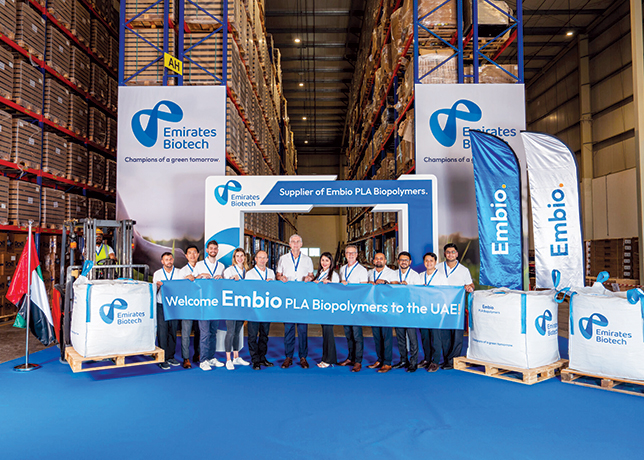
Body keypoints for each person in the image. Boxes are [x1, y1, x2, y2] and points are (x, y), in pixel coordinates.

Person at [276, 234, 314, 369]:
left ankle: (303, 357)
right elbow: (278, 274)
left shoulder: (307, 260)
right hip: (288, 298)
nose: (295, 244)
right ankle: (288, 357)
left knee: (303, 329)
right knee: (289, 328)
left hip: (302, 298)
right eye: (293, 241)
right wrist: (280, 278)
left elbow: (311, 274)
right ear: (289, 244)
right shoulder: (283, 259)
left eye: (298, 241)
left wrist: (309, 278)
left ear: (301, 244)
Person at [435, 243, 475, 370]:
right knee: (444, 334)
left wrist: (469, 287)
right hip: (441, 306)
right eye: (448, 252)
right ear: (444, 254)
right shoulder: (437, 267)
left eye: (453, 252)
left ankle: (453, 360)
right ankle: (446, 359)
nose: (450, 254)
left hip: (457, 306)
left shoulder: (464, 270)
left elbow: (471, 285)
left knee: (457, 334)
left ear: (457, 254)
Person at [191, 240, 226, 371]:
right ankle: (203, 360)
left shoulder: (221, 266)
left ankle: (211, 357)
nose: (213, 250)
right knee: (205, 333)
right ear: (207, 250)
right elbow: (192, 282)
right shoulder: (199, 265)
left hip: (215, 304)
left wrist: (221, 278)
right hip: (203, 304)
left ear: (217, 250)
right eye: (211, 248)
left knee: (213, 332)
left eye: (215, 248)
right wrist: (200, 276)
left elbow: (224, 285)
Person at [338, 245, 369, 372]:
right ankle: (350, 357)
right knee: (348, 334)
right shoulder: (342, 269)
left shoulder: (362, 270)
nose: (350, 255)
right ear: (345, 255)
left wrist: (349, 286)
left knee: (357, 335)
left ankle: (358, 361)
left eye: (353, 253)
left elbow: (364, 289)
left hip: (356, 306)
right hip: (345, 306)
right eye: (348, 253)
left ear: (356, 255)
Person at [390, 251, 422, 372]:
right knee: (400, 337)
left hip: (410, 310)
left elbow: (418, 293)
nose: (404, 262)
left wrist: (408, 287)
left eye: (406, 260)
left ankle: (413, 362)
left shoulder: (415, 276)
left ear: (410, 262)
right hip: (397, 310)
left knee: (412, 337)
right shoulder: (393, 274)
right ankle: (403, 360)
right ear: (398, 261)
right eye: (402, 260)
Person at [244, 250, 275, 370]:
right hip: (254, 310)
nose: (262, 260)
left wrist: (272, 284)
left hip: (266, 309)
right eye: (260, 257)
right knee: (252, 336)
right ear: (255, 259)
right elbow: (247, 291)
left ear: (267, 259)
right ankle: (255, 360)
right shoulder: (250, 274)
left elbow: (274, 291)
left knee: (264, 335)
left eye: (264, 258)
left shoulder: (271, 273)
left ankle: (262, 357)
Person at [367, 252, 396, 373]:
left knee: (386, 336)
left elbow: (396, 287)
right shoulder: (369, 273)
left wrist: (385, 282)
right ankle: (379, 359)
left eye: (381, 259)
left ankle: (387, 362)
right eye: (376, 259)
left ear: (385, 261)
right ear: (373, 261)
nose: (378, 260)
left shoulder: (391, 273)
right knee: (377, 336)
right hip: (373, 308)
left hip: (385, 309)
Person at [222, 248, 251, 370]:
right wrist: (231, 280)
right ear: (234, 258)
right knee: (230, 331)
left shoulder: (247, 271)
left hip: (242, 305)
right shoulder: (229, 271)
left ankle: (236, 357)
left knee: (238, 331)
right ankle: (228, 359)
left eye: (241, 256)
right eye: (237, 256)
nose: (240, 258)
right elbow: (223, 286)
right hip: (231, 305)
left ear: (244, 257)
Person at [152, 252, 181, 370]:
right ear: (162, 261)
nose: (169, 261)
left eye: (170, 259)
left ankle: (170, 356)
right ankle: (162, 358)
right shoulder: (157, 274)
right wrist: (158, 286)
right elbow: (153, 291)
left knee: (173, 331)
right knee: (162, 332)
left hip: (174, 305)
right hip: (161, 305)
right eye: (166, 259)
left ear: (173, 260)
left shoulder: (179, 273)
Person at [314, 252, 340, 368]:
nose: (324, 263)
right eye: (322, 260)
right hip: (321, 307)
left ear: (331, 262)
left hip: (329, 308)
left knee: (328, 333)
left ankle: (329, 359)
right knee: (325, 333)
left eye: (327, 260)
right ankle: (326, 358)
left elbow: (337, 290)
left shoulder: (333, 275)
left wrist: (330, 284)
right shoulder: (320, 273)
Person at [177, 244, 201, 368]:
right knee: (186, 332)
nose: (192, 255)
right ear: (186, 256)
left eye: (194, 252)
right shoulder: (182, 272)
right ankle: (186, 358)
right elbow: (178, 288)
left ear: (198, 254)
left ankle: (198, 354)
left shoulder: (202, 268)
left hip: (200, 305)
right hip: (187, 305)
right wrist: (185, 280)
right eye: (190, 253)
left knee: (200, 331)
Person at [419, 252, 442, 373]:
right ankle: (427, 359)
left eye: (431, 261)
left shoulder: (441, 277)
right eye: (426, 261)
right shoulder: (420, 276)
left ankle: (435, 361)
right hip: (423, 310)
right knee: (425, 336)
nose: (429, 263)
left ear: (435, 262)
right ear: (424, 262)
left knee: (435, 337)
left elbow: (445, 293)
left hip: (435, 310)